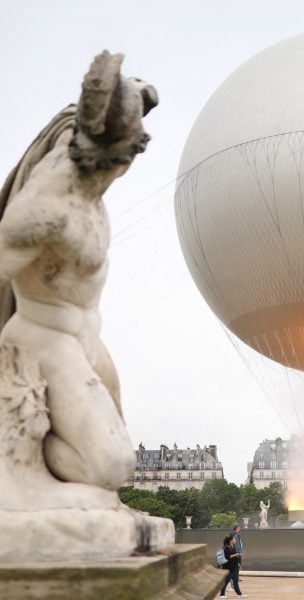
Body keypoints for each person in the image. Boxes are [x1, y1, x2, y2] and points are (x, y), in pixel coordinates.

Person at [0, 50, 158, 491]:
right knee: (109, 466)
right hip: (44, 337)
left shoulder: (91, 191)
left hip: (88, 338)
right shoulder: (47, 207)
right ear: (113, 154)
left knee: (119, 470)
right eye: (131, 152)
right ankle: (27, 474)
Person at [219, 534, 246, 598]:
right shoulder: (227, 547)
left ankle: (239, 594)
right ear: (231, 541)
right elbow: (227, 557)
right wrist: (236, 555)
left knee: (235, 582)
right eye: (234, 539)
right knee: (225, 582)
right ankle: (222, 595)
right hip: (228, 568)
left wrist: (238, 563)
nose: (235, 540)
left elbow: (233, 557)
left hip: (233, 567)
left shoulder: (232, 547)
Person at [230, 524, 244, 590]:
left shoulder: (237, 535)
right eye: (238, 528)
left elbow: (238, 544)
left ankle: (236, 578)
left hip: (238, 553)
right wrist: (237, 552)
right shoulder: (234, 534)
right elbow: (235, 544)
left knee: (237, 567)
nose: (239, 529)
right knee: (235, 567)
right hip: (236, 554)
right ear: (235, 529)